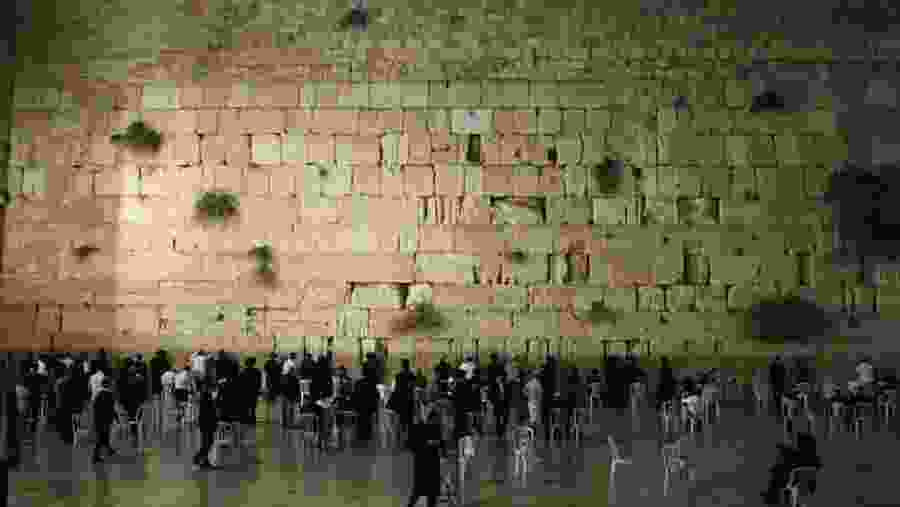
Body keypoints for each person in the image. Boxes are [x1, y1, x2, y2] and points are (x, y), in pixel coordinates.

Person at [761, 432, 822, 504]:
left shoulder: (796, 458)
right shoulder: (814, 460)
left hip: (793, 483)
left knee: (777, 472)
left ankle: (772, 497)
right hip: (801, 485)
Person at [405, 408, 446, 507]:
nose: (436, 422)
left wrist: (440, 447)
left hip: (433, 463)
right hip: (421, 462)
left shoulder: (437, 427)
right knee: (418, 490)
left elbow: (442, 443)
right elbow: (410, 445)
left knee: (432, 493)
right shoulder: (417, 427)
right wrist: (426, 444)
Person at [389, 359, 417, 447]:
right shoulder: (412, 375)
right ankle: (408, 440)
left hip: (400, 401)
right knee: (409, 422)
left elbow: (396, 389)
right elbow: (413, 387)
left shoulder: (398, 375)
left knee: (400, 422)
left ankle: (398, 441)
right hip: (409, 401)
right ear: (408, 365)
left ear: (402, 366)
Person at [193, 383, 218, 470]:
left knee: (206, 442)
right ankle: (197, 459)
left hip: (205, 422)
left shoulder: (205, 395)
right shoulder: (206, 396)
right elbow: (210, 411)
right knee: (207, 443)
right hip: (207, 422)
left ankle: (205, 461)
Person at [92, 377, 117, 464]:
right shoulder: (109, 395)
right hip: (106, 420)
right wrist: (115, 418)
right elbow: (111, 409)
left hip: (98, 419)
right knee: (101, 438)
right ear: (108, 385)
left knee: (104, 436)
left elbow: (94, 407)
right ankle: (95, 456)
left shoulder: (98, 394)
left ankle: (108, 450)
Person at [487, 354, 509, 437]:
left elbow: (489, 379)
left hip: (495, 393)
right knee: (502, 412)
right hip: (501, 393)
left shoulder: (490, 367)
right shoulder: (500, 366)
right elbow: (505, 376)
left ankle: (499, 428)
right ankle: (501, 427)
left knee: (497, 412)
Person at [238, 357, 262, 426]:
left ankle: (246, 420)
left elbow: (240, 383)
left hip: (245, 392)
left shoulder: (243, 372)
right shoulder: (257, 372)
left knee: (246, 406)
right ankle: (252, 420)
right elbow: (259, 383)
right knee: (253, 407)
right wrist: (258, 391)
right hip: (254, 392)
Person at [281, 353, 299, 427]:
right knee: (289, 408)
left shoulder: (287, 364)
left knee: (286, 408)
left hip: (287, 394)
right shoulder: (290, 364)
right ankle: (289, 423)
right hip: (290, 394)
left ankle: (286, 423)